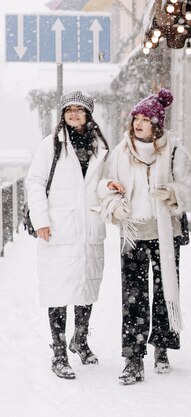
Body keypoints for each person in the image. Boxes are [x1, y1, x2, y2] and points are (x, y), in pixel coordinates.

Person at [98, 88, 191, 385]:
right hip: (132, 232)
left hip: (165, 232)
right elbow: (105, 185)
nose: (138, 123)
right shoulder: (120, 152)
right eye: (136, 118)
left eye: (145, 119)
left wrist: (173, 193)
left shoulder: (174, 152)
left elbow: (190, 188)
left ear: (157, 124)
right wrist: (113, 203)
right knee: (133, 297)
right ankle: (133, 358)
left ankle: (162, 346)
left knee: (165, 290)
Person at [25, 91, 109, 379]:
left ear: (88, 115)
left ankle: (80, 340)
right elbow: (34, 183)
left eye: (80, 110)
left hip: (89, 229)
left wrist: (111, 189)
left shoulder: (100, 146)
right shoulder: (51, 145)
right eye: (69, 109)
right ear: (62, 114)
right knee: (57, 291)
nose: (74, 114)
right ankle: (59, 352)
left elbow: (101, 182)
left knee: (87, 289)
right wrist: (41, 220)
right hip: (58, 229)